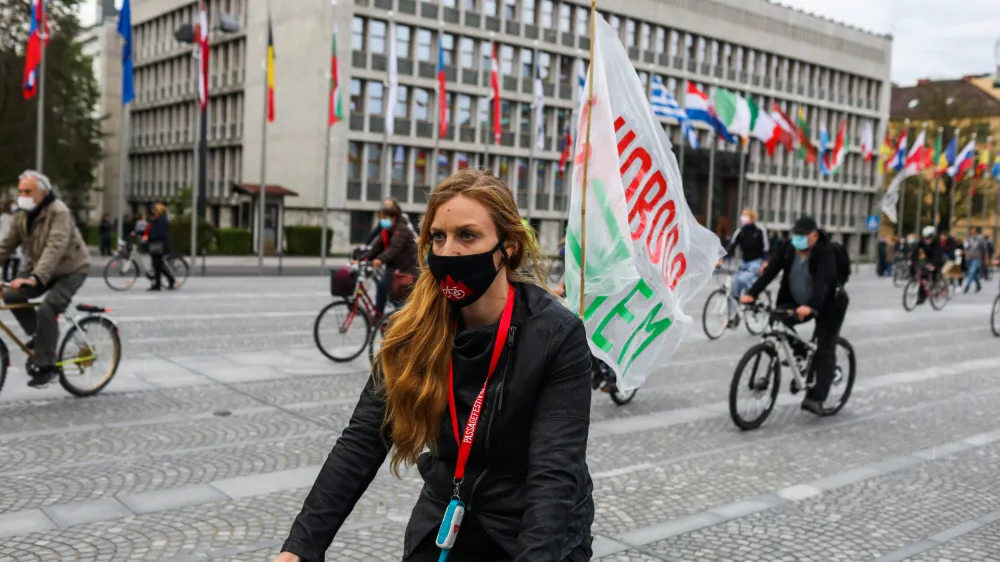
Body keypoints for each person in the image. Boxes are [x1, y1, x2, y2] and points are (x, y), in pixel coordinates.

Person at [275, 168, 594, 562]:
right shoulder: (410, 329)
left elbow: (554, 474)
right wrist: (301, 547)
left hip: (531, 527)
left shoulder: (556, 334)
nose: (447, 251)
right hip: (447, 513)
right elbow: (362, 440)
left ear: (508, 248)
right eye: (438, 237)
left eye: (467, 235)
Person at [740, 215, 848, 416]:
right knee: (777, 321)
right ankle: (801, 355)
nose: (797, 239)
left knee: (824, 347)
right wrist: (752, 293)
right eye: (795, 234)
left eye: (802, 235)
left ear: (814, 236)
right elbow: (770, 271)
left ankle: (816, 398)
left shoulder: (825, 252)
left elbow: (823, 283)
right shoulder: (789, 248)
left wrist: (812, 306)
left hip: (829, 304)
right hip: (797, 301)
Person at [0, 171, 91, 388]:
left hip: (71, 269)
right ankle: (41, 336)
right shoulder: (22, 214)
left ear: (42, 193)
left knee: (48, 308)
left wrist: (34, 278)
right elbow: (6, 245)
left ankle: (48, 367)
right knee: (11, 295)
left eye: (28, 191)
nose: (22, 196)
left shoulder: (59, 212)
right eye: (21, 191)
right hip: (41, 268)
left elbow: (55, 248)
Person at [357, 201, 418, 316]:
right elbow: (376, 248)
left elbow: (394, 248)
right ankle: (383, 317)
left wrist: (380, 259)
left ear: (393, 217)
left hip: (406, 267)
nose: (382, 221)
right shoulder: (387, 231)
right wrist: (360, 259)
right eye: (380, 218)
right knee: (386, 289)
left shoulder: (401, 229)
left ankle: (384, 316)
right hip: (394, 265)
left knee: (388, 289)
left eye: (384, 218)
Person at [723, 208, 769, 314]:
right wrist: (722, 259)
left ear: (752, 217)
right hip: (744, 263)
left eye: (746, 215)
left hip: (756, 263)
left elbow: (766, 249)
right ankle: (734, 315)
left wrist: (765, 262)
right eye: (743, 215)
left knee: (743, 279)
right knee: (735, 284)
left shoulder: (760, 231)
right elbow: (732, 247)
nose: (743, 217)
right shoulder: (740, 231)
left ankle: (754, 294)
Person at [144, 203, 176, 291]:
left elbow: (160, 233)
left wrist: (149, 237)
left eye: (155, 210)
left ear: (159, 211)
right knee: (157, 265)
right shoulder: (156, 220)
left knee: (158, 265)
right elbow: (150, 230)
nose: (153, 211)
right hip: (155, 244)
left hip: (160, 245)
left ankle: (169, 280)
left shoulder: (162, 221)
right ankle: (158, 284)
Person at [0, 202, 22, 282]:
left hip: (16, 241)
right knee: (7, 259)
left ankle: (14, 277)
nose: (14, 207)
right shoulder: (3, 217)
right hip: (5, 239)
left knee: (17, 259)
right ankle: (5, 277)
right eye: (12, 205)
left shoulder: (19, 216)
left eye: (15, 205)